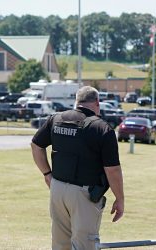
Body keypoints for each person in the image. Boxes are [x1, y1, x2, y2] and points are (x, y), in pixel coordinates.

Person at [31, 85, 124, 250]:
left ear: (77, 101)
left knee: (60, 245)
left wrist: (47, 174)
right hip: (84, 195)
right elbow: (112, 170)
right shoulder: (102, 128)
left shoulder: (56, 118)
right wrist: (120, 198)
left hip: (57, 189)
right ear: (97, 102)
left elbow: (36, 146)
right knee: (84, 245)